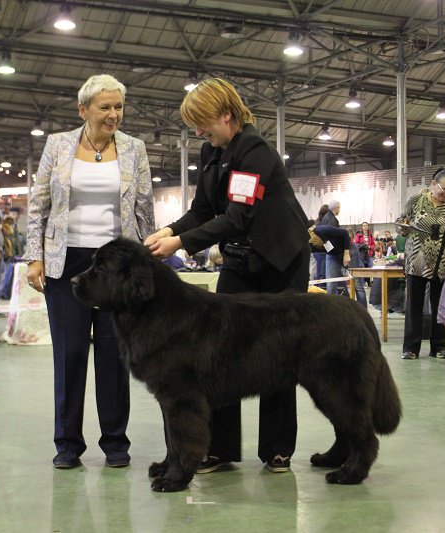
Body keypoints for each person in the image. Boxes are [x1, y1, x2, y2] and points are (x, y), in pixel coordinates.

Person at [144, 77, 310, 474]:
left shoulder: (256, 151)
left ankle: (277, 450)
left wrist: (181, 243)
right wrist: (168, 231)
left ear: (227, 115)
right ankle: (218, 449)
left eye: (203, 123)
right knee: (217, 353)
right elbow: (203, 209)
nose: (199, 132)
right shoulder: (211, 150)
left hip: (280, 262)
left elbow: (238, 217)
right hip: (240, 261)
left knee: (279, 354)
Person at [24, 74, 154, 470]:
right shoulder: (57, 145)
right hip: (66, 264)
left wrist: (147, 263)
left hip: (117, 265)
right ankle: (67, 444)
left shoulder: (135, 149)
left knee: (115, 355)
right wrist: (34, 257)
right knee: (71, 351)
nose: (113, 114)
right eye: (105, 107)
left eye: (118, 107)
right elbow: (38, 206)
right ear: (83, 110)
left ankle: (115, 442)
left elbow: (144, 209)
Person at [400, 167, 445, 360]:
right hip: (417, 260)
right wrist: (404, 228)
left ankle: (438, 346)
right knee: (414, 305)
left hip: (443, 263)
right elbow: (401, 223)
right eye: (444, 189)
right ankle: (410, 348)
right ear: (433, 184)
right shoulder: (415, 201)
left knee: (440, 305)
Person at [321, 200, 346, 295]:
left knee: (332, 282)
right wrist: (339, 253)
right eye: (339, 208)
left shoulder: (325, 218)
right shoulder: (332, 219)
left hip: (329, 252)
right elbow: (334, 237)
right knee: (332, 283)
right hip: (333, 254)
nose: (340, 210)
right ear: (336, 208)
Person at [312, 204, 329, 288]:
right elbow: (324, 239)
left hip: (318, 251)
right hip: (321, 251)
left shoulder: (317, 222)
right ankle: (319, 289)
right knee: (321, 274)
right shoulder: (321, 223)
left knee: (319, 272)